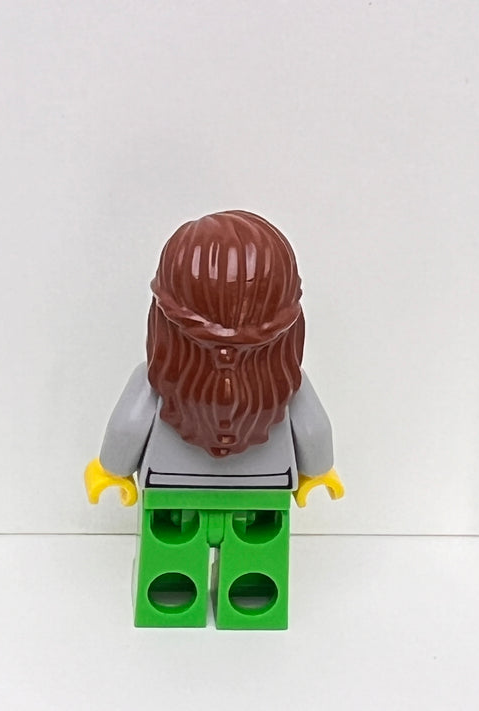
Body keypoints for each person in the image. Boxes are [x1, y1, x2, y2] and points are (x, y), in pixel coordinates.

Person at [84, 210, 343, 629]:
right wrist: (317, 471)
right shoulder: (286, 384)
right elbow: (314, 430)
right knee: (255, 566)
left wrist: (110, 470)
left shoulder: (155, 380)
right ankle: (248, 607)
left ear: (161, 320)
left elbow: (127, 427)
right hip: (263, 488)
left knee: (171, 563)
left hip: (173, 487)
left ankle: (173, 605)